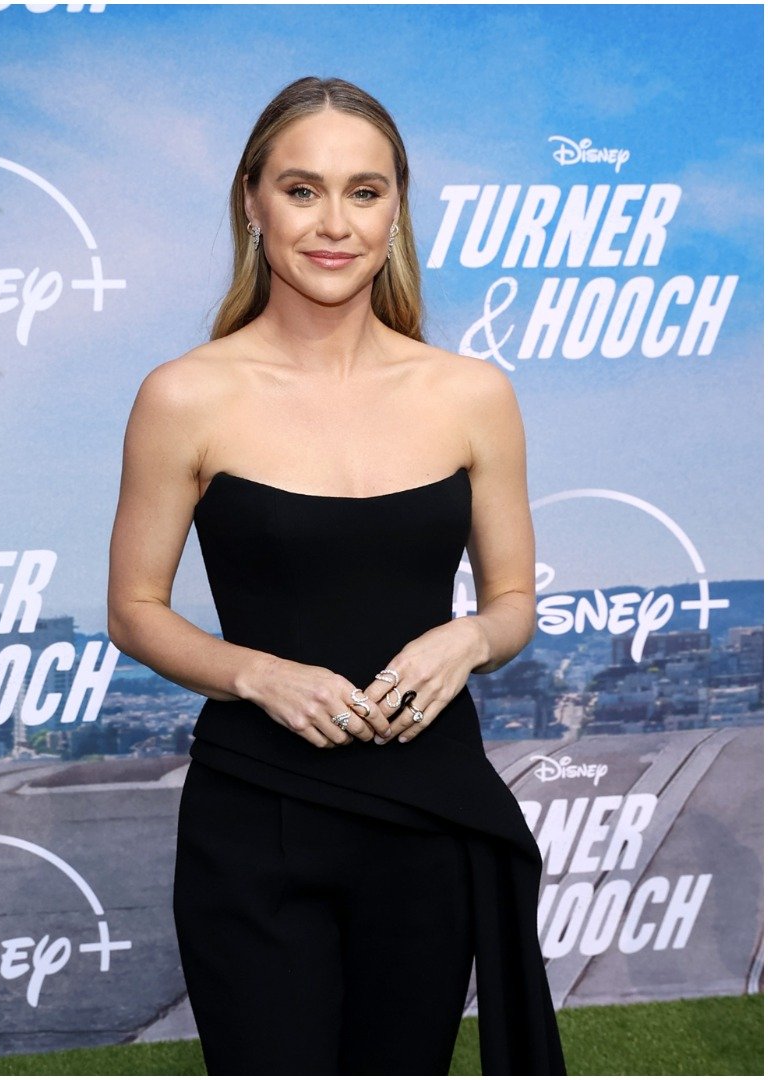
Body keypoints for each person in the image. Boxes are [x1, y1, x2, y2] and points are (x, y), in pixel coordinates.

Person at [106, 76, 565, 1075]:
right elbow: (136, 611)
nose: (334, 223)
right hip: (255, 819)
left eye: (364, 192)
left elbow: (514, 604)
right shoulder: (184, 395)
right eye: (302, 189)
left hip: (430, 812)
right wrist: (257, 673)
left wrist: (469, 637)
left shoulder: (472, 395)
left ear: (396, 207)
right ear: (251, 202)